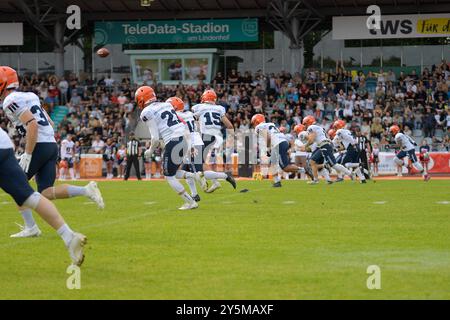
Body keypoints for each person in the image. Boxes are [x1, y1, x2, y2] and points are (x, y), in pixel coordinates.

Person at [0, 66, 104, 238]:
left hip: (38, 145)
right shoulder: (30, 95)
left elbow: (32, 124)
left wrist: (28, 153)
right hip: (50, 144)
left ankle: (31, 227)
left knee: (17, 185)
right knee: (46, 192)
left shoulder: (10, 100)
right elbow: (49, 121)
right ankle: (86, 191)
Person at [135, 86, 201, 210]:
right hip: (184, 139)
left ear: (141, 99)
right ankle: (194, 175)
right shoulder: (167, 105)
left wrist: (150, 150)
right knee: (173, 171)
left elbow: (154, 138)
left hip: (173, 141)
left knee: (168, 176)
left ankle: (190, 201)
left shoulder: (147, 112)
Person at [191, 90, 237, 193]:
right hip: (215, 137)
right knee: (199, 163)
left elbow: (192, 120)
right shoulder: (219, 108)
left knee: (194, 164)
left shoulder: (198, 107)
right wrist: (231, 139)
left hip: (204, 136)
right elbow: (229, 126)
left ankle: (224, 176)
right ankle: (215, 181)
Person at [167, 96, 206, 201]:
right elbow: (197, 121)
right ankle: (194, 194)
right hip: (197, 141)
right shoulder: (189, 113)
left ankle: (211, 180)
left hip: (189, 144)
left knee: (194, 172)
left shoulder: (177, 115)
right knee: (186, 170)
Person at [251, 114, 303, 187]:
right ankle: (277, 182)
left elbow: (268, 137)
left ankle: (304, 170)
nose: (253, 125)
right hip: (282, 142)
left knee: (285, 168)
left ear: (256, 122)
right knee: (272, 164)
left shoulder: (258, 127)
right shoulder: (270, 124)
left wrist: (268, 148)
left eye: (253, 123)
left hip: (278, 144)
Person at [301, 115, 352, 184]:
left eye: (305, 123)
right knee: (313, 162)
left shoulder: (311, 127)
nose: (305, 125)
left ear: (308, 122)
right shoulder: (317, 127)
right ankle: (324, 179)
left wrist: (305, 145)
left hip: (324, 145)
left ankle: (350, 174)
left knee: (333, 165)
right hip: (323, 145)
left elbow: (311, 140)